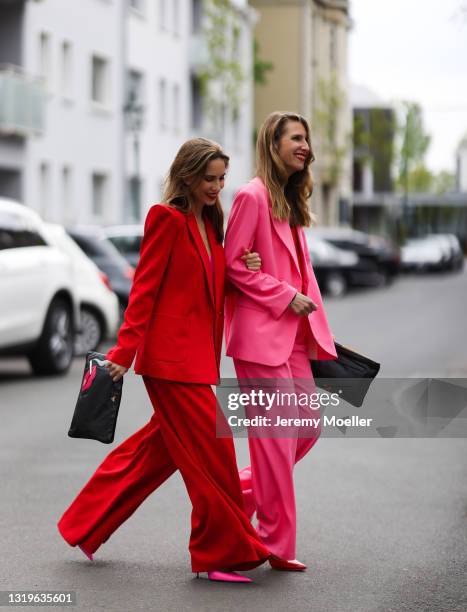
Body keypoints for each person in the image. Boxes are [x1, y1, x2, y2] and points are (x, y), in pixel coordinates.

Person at [57, 138, 270, 584]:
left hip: (196, 360)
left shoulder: (211, 224)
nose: (216, 187)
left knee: (154, 453)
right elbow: (145, 290)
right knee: (214, 455)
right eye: (208, 179)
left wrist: (243, 269)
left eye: (221, 179)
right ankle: (216, 553)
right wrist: (124, 352)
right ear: (187, 177)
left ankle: (84, 524)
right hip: (169, 363)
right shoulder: (166, 219)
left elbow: (210, 290)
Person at [224, 112, 337, 571]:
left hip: (293, 337)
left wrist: (318, 326)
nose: (305, 145)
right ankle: (274, 544)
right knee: (274, 441)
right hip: (260, 337)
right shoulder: (250, 196)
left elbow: (300, 272)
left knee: (306, 428)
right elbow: (233, 264)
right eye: (296, 137)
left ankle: (228, 502)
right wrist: (284, 295)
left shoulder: (289, 201)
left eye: (307, 139)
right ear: (273, 145)